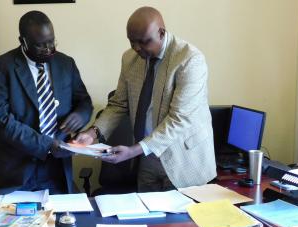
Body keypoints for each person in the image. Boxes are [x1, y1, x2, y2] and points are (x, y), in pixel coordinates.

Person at [74, 7, 216, 192]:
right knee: (149, 216)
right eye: (132, 41)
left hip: (183, 159)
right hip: (147, 156)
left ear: (161, 33)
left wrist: (133, 150)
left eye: (143, 42)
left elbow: (179, 119)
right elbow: (119, 104)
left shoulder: (189, 59)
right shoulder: (130, 58)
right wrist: (93, 133)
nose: (137, 48)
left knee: (181, 220)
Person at [0, 11, 93, 194]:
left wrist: (80, 115)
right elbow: (0, 120)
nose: (49, 49)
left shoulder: (66, 63)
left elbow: (84, 101)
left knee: (61, 221)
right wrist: (45, 144)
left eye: (52, 41)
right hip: (16, 171)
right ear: (23, 41)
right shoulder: (0, 68)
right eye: (40, 45)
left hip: (57, 169)